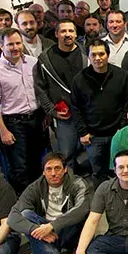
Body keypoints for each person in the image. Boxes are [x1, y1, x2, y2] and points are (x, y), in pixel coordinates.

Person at [7, 153, 93, 254]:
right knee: (25, 214)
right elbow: (13, 217)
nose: (53, 173)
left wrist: (52, 226)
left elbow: (82, 209)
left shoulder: (78, 184)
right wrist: (36, 229)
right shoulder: (36, 187)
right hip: (45, 230)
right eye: (49, 169)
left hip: (68, 228)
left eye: (57, 168)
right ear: (43, 171)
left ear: (65, 169)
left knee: (78, 218)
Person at [0, 28, 47, 193]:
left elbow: (41, 90)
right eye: (10, 44)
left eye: (18, 43)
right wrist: (3, 130)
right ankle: (21, 200)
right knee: (18, 167)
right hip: (13, 123)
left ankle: (37, 196)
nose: (15, 47)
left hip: (35, 120)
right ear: (1, 46)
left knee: (36, 161)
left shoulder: (33, 63)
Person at [71, 39, 128, 184]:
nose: (98, 58)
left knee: (121, 170)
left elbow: (127, 104)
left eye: (101, 54)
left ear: (108, 55)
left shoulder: (121, 76)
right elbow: (76, 108)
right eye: (93, 55)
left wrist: (122, 128)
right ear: (88, 57)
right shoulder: (79, 79)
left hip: (117, 134)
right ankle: (101, 197)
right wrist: (83, 132)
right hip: (93, 136)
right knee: (98, 172)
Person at [34, 20, 85, 171]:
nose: (67, 34)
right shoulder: (45, 59)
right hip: (64, 116)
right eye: (63, 31)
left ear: (76, 34)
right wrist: (51, 110)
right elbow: (40, 88)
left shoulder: (86, 53)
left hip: (86, 113)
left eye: (71, 31)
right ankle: (69, 181)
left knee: (90, 152)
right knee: (66, 154)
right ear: (56, 34)